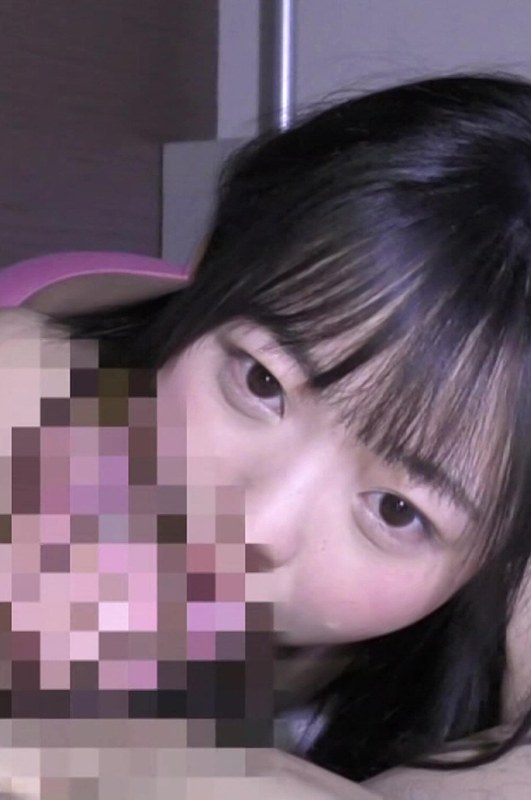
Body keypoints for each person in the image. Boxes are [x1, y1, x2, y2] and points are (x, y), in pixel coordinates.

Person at [6, 72, 531, 787]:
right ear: (207, 263)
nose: (255, 526)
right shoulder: (31, 405)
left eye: (396, 510)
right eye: (261, 384)